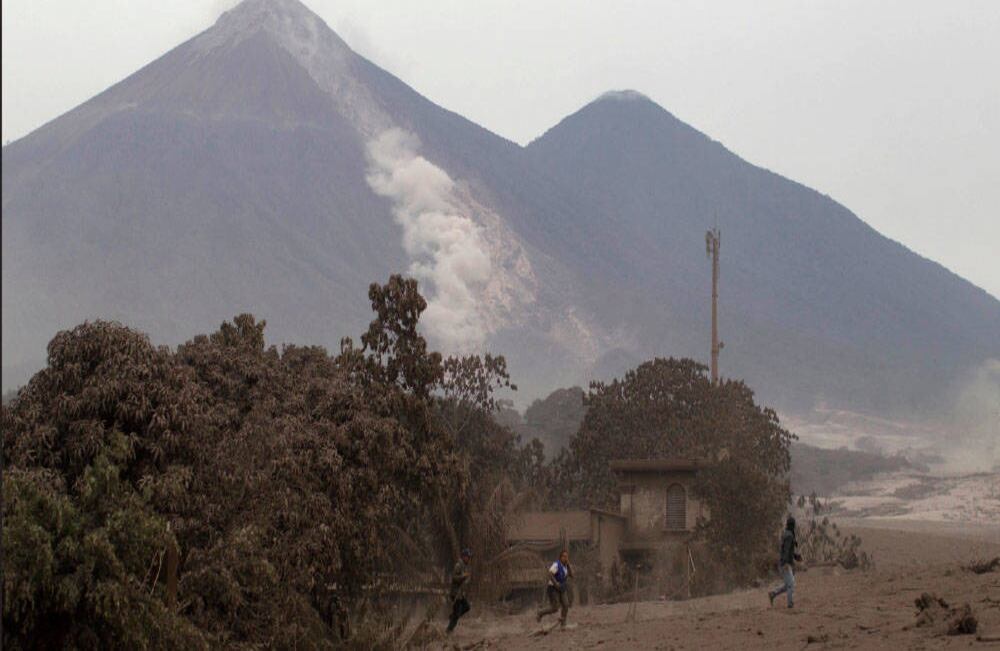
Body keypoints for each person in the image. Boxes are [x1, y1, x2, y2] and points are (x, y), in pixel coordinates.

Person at [768, 516, 802, 608]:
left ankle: (773, 594)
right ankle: (790, 604)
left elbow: (787, 550)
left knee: (788, 585)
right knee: (791, 585)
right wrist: (785, 563)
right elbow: (786, 550)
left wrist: (795, 556)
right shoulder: (789, 535)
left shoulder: (787, 534)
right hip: (785, 564)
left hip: (784, 563)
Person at [537, 549, 574, 627]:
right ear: (560, 557)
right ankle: (540, 612)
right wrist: (556, 583)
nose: (565, 558)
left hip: (562, 588)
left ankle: (563, 624)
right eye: (564, 556)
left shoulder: (566, 566)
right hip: (553, 588)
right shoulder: (556, 564)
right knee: (555, 608)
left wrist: (569, 565)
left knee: (566, 605)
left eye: (567, 557)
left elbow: (572, 575)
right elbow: (550, 574)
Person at [446, 548, 472, 634]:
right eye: (468, 557)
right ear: (464, 557)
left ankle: (453, 617)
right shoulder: (458, 565)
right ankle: (449, 630)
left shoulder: (464, 566)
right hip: (455, 593)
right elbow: (454, 578)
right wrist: (463, 576)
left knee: (467, 607)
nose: (469, 559)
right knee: (457, 613)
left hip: (460, 594)